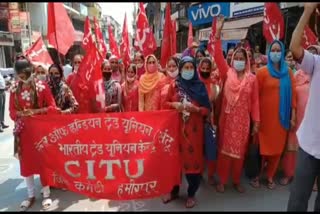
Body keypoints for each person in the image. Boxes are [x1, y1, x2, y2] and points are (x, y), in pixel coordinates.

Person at [214, 15, 260, 193]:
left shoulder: (252, 79)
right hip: (227, 119)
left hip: (243, 121)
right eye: (237, 57)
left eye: (242, 57)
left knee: (239, 152)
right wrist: (218, 34)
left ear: (246, 61)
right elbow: (218, 56)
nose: (239, 60)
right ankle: (223, 180)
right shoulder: (227, 73)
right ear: (233, 60)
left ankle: (235, 180)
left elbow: (255, 101)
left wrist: (256, 122)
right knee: (225, 151)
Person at [9, 59, 57, 211]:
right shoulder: (14, 89)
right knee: (26, 164)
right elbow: (11, 112)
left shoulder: (42, 87)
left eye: (25, 73)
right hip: (23, 133)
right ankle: (30, 195)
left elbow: (52, 107)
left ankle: (47, 193)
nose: (23, 77)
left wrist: (36, 112)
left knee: (42, 161)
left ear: (31, 71)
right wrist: (20, 114)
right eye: (20, 74)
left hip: (39, 131)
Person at [163, 56, 210, 208]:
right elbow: (164, 104)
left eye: (191, 68)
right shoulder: (174, 85)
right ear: (181, 69)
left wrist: (195, 109)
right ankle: (174, 191)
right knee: (174, 164)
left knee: (193, 166)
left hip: (194, 135)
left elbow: (207, 110)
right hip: (176, 132)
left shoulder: (200, 87)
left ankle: (191, 194)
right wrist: (174, 104)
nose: (188, 71)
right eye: (185, 68)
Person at [287, 3, 320, 211]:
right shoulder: (316, 61)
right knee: (298, 202)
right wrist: (308, 11)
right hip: (310, 145)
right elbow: (294, 48)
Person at [255, 40, 297, 190]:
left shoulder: (289, 73)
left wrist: (292, 117)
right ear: (269, 52)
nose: (276, 53)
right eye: (273, 50)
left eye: (279, 50)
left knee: (277, 150)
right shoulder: (262, 72)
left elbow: (293, 97)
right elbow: (255, 98)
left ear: (283, 52)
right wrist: (256, 119)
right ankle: (257, 176)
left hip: (282, 120)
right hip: (264, 119)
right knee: (262, 149)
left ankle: (271, 176)